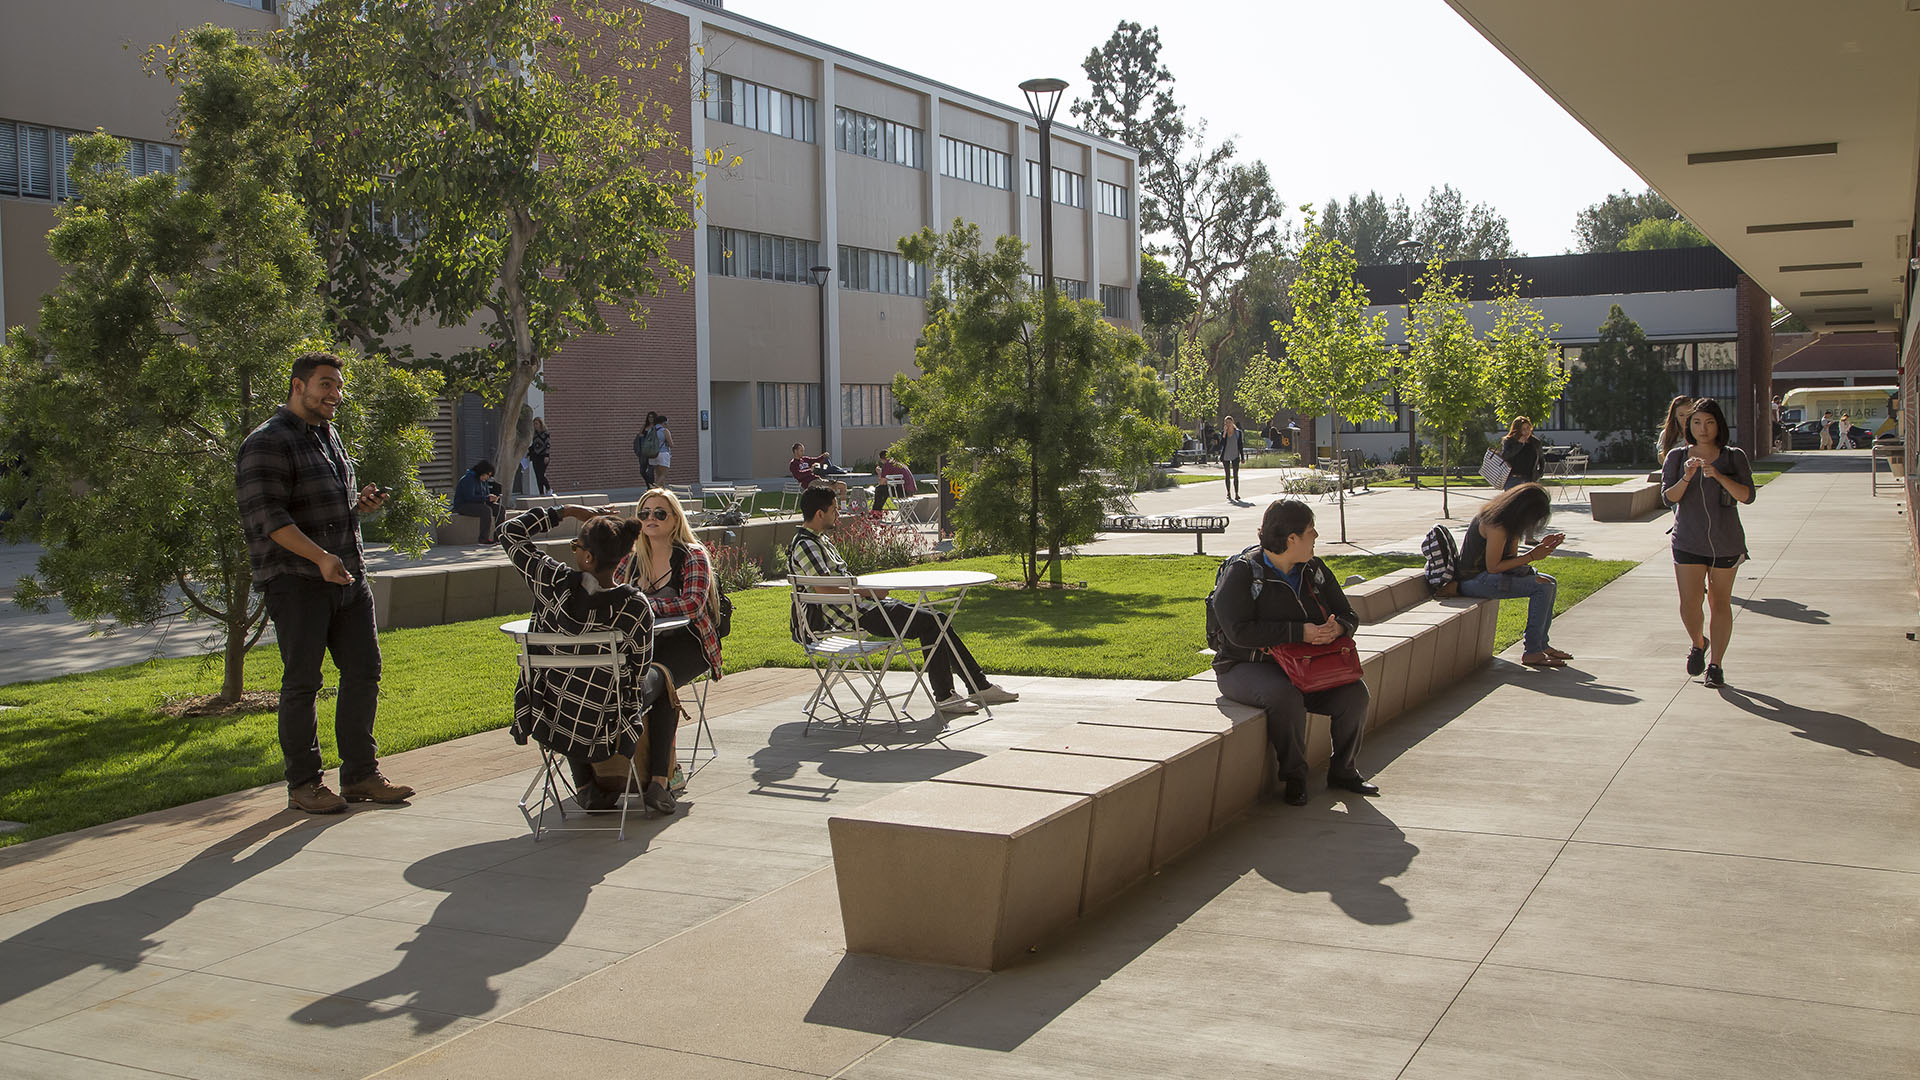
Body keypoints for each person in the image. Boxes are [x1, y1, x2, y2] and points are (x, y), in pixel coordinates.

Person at [236, 351, 413, 814]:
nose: (335, 394)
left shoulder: (329, 436)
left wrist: (361, 506)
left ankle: (359, 776)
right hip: (297, 582)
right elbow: (270, 518)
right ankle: (305, 785)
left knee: (364, 672)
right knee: (302, 683)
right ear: (298, 386)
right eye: (325, 385)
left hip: (348, 578)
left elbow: (330, 510)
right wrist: (319, 558)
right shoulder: (266, 443)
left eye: (338, 386)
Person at [502, 503, 678, 815]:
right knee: (662, 678)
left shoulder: (551, 582)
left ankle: (584, 787)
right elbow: (638, 672)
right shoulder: (635, 607)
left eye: (576, 546)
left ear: (587, 557)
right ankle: (659, 784)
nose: (574, 552)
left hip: (549, 712)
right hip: (609, 722)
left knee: (570, 685)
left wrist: (566, 511)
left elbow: (508, 532)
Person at [786, 485, 1017, 716]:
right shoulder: (806, 545)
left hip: (865, 607)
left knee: (939, 619)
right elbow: (824, 589)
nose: (838, 514)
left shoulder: (819, 540)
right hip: (855, 616)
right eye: (834, 510)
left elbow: (836, 583)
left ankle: (978, 686)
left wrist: (868, 593)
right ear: (819, 514)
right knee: (933, 622)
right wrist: (866, 593)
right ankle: (948, 696)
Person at [1211, 500, 1376, 806]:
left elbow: (1347, 614)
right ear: (1292, 539)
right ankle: (1295, 776)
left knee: (1355, 694)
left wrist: (1337, 628)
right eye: (1311, 531)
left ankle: (1343, 770)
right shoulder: (1243, 572)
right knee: (1285, 696)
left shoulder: (1313, 569)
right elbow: (1239, 632)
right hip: (1244, 666)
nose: (1316, 536)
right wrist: (1300, 632)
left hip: (1308, 667)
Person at [614, 488, 725, 781]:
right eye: (644, 513)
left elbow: (692, 605)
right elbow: (611, 598)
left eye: (659, 513)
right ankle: (652, 778)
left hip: (690, 644)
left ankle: (660, 778)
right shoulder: (630, 561)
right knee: (642, 682)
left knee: (660, 682)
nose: (651, 518)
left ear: (675, 519)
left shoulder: (693, 555)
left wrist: (642, 604)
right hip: (642, 648)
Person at [1660, 397, 1754, 689]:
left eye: (1709, 422)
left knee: (1719, 602)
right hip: (1687, 539)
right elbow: (1668, 498)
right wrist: (1688, 476)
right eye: (1697, 422)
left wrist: (1720, 477)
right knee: (1690, 603)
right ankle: (1699, 643)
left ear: (1718, 425)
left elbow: (1747, 496)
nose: (1703, 428)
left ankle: (1716, 666)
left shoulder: (1733, 456)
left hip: (1726, 543)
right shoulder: (1677, 458)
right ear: (1689, 425)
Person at [1456, 482, 1571, 668]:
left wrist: (1541, 548)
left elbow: (1510, 559)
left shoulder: (1510, 524)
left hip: (1488, 576)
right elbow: (1493, 567)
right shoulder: (1495, 524)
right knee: (1542, 587)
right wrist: (1532, 556)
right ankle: (1532, 651)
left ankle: (1542, 644)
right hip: (1474, 581)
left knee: (1550, 582)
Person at [454, 460, 505, 543]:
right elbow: (469, 497)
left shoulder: (483, 481)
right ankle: (483, 539)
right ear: (482, 471)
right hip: (464, 505)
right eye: (487, 475)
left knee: (500, 509)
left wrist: (492, 499)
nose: (488, 477)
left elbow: (485, 496)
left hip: (478, 503)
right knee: (486, 510)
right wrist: (487, 498)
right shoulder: (469, 479)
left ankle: (498, 536)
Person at [1219, 416, 1245, 502]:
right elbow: (1221, 444)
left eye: (1229, 422)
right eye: (1226, 422)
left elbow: (1240, 445)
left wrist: (1242, 457)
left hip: (1235, 456)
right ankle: (1228, 492)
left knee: (1235, 475)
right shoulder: (1223, 433)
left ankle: (1237, 493)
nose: (1228, 424)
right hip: (1226, 456)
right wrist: (1224, 434)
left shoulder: (1238, 433)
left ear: (1232, 422)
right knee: (1227, 475)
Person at [528, 417, 553, 496]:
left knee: (541, 474)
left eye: (537, 424)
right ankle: (541, 492)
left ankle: (548, 488)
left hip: (543, 456)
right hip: (535, 456)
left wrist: (547, 455)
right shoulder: (534, 434)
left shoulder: (545, 433)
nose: (535, 426)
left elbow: (547, 445)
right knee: (537, 475)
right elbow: (534, 445)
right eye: (534, 424)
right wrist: (528, 453)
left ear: (540, 424)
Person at [634, 411, 658, 487]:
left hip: (652, 451)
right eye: (649, 417)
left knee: (650, 471)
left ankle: (651, 487)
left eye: (652, 417)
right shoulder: (645, 427)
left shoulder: (656, 427)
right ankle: (649, 485)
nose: (651, 418)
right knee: (642, 471)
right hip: (643, 451)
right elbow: (639, 435)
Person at [650, 414, 675, 486]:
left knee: (658, 475)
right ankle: (654, 489)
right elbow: (671, 444)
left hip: (652, 454)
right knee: (664, 474)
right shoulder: (664, 431)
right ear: (664, 422)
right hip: (663, 453)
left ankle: (661, 491)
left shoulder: (651, 430)